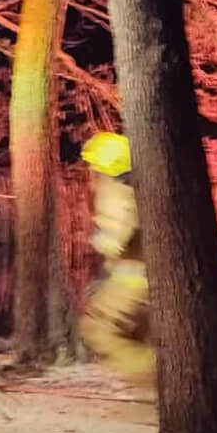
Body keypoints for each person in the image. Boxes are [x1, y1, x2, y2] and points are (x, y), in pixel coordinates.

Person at [78, 132, 154, 381]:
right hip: (142, 280)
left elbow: (115, 239)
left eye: (94, 162)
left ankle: (156, 374)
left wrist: (99, 241)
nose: (90, 168)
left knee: (98, 330)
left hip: (129, 280)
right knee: (138, 334)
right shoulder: (139, 189)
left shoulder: (117, 193)